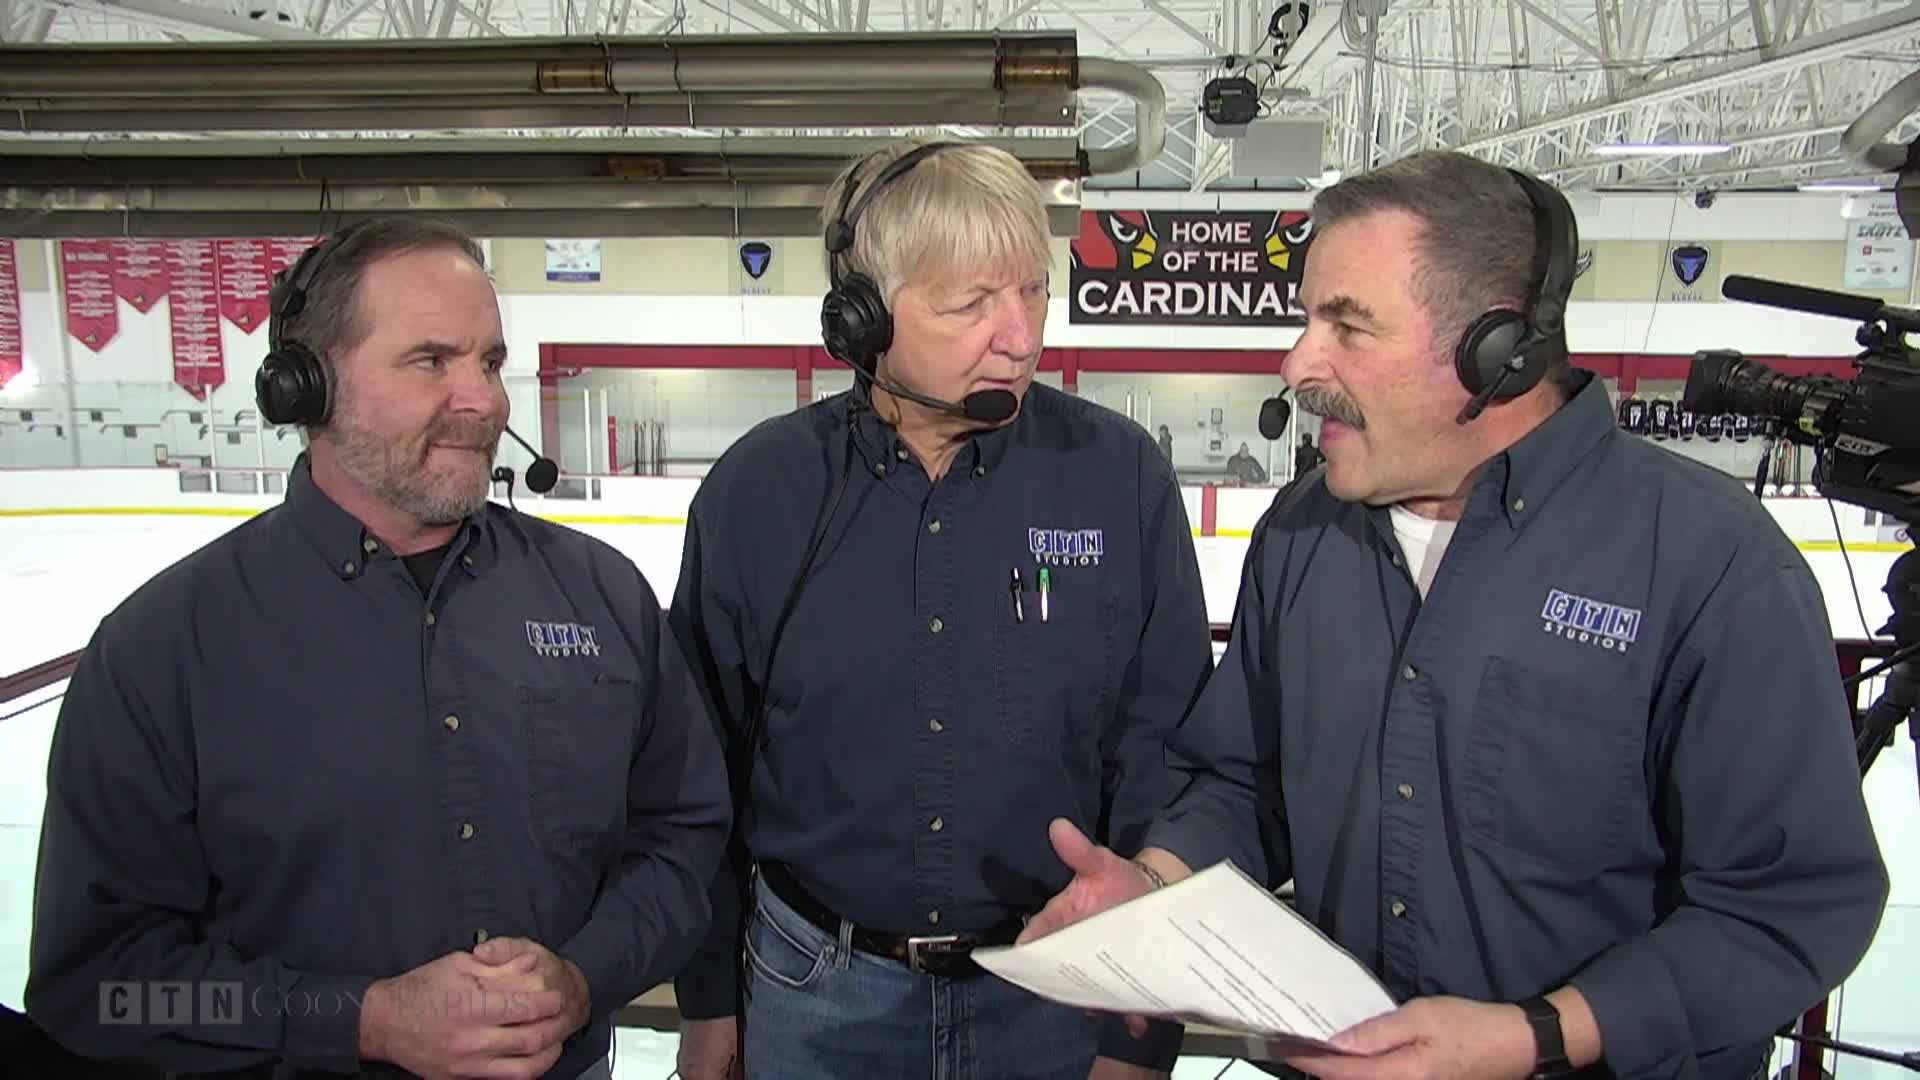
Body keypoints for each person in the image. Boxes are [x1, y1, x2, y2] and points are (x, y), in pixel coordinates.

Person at [1020, 150, 1890, 1080]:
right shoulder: (1304, 532)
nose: (1297, 363)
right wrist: (1155, 885)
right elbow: (1244, 781)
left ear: (1497, 354)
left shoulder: (1713, 564)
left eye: (1347, 326)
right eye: (1308, 318)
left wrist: (1536, 1034)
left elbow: (1788, 904)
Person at [26, 218, 733, 1080]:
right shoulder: (161, 650)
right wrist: (361, 1020)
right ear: (308, 386)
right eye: (432, 360)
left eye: (489, 360)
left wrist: (586, 977)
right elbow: (102, 986)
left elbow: (681, 836)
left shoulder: (602, 594)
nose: (483, 401)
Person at [668, 137, 1213, 1080]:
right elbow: (698, 768)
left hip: (1060, 992)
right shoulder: (756, 492)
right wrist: (710, 995)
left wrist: (1142, 1014)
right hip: (814, 993)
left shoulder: (1120, 480)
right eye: (972, 303)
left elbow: (1162, 754)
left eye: (1033, 291)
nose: (1020, 333)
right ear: (866, 318)